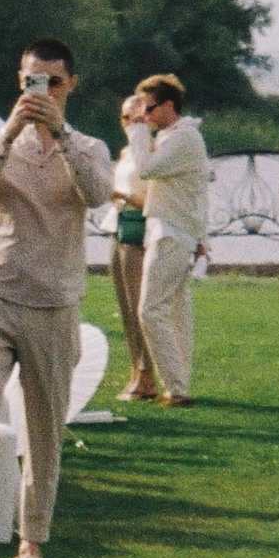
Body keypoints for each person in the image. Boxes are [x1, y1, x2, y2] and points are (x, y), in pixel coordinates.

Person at [0, 40, 112, 558]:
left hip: (55, 301)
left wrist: (61, 134)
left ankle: (31, 542)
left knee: (45, 430)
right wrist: (10, 133)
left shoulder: (90, 146)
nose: (40, 91)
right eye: (31, 80)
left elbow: (98, 195)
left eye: (51, 81)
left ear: (71, 85)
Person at [126, 74, 210, 407]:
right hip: (175, 230)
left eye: (149, 109)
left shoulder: (183, 137)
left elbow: (146, 169)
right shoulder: (174, 136)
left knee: (150, 311)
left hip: (171, 232)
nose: (144, 115)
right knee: (175, 312)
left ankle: (176, 388)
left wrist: (135, 129)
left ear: (169, 105)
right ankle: (179, 385)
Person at [106, 94, 158, 401]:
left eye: (138, 117)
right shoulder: (126, 152)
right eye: (127, 117)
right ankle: (136, 370)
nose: (131, 123)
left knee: (140, 306)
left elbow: (154, 200)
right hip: (118, 226)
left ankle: (147, 375)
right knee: (126, 306)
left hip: (140, 229)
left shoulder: (153, 151)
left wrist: (121, 195)